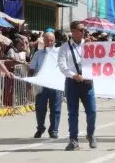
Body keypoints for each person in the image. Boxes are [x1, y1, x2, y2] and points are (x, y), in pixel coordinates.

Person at [58, 21, 97, 151]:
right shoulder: (64, 47)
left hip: (87, 82)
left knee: (92, 111)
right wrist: (73, 75)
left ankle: (90, 134)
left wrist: (94, 47)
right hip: (72, 83)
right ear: (73, 31)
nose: (83, 32)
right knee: (73, 113)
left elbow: (98, 61)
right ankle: (73, 139)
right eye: (81, 30)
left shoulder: (89, 45)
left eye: (84, 30)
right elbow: (62, 66)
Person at [30, 32, 63, 139]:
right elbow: (32, 69)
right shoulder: (38, 54)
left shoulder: (59, 53)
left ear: (54, 41)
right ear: (43, 41)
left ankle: (53, 130)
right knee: (40, 108)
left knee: (55, 109)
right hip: (41, 85)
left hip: (55, 85)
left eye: (51, 40)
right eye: (47, 40)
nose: (49, 42)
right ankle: (40, 128)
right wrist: (29, 82)